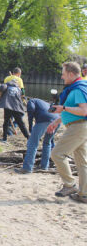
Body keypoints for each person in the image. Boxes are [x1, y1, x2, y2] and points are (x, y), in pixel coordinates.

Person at [47, 62, 87, 203]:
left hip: (78, 127)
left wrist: (63, 108)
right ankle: (84, 195)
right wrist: (57, 121)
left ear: (71, 74)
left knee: (57, 153)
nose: (62, 77)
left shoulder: (77, 89)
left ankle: (70, 184)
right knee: (82, 162)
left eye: (63, 74)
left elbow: (83, 111)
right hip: (79, 127)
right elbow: (72, 110)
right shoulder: (79, 86)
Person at [15, 98, 60, 174]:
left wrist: (30, 127)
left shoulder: (31, 101)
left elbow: (31, 111)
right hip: (57, 120)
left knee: (32, 143)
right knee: (47, 142)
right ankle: (44, 166)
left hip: (44, 119)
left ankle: (27, 168)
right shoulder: (43, 102)